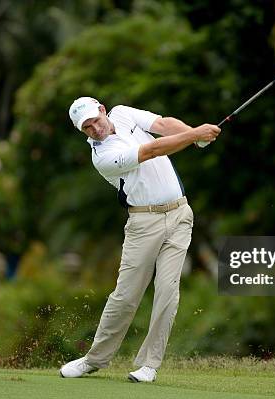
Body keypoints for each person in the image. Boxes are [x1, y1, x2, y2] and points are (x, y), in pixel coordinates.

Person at [60, 97, 220, 383]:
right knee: (126, 296)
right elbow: (152, 150)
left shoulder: (123, 114)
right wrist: (195, 135)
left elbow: (162, 125)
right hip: (143, 223)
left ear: (102, 110)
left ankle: (149, 365)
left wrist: (193, 134)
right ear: (82, 131)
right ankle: (93, 359)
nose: (95, 128)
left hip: (180, 214)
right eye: (87, 128)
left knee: (167, 291)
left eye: (95, 120)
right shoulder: (103, 157)